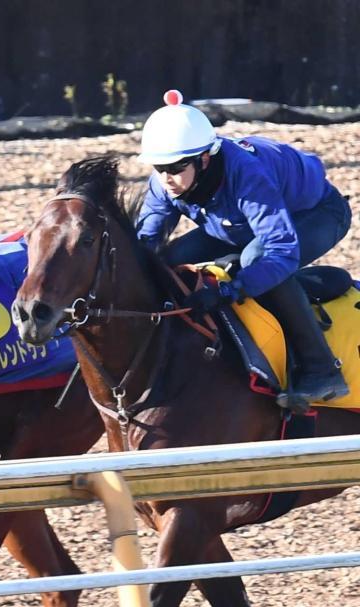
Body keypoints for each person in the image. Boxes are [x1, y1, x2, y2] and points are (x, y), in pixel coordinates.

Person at [136, 89, 353, 411]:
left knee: (256, 260)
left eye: (176, 167)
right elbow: (145, 245)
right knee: (169, 260)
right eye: (159, 168)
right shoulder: (165, 184)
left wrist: (229, 291)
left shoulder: (247, 173)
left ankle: (321, 370)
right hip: (235, 224)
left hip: (315, 214)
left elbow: (280, 250)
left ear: (204, 158)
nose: (167, 178)